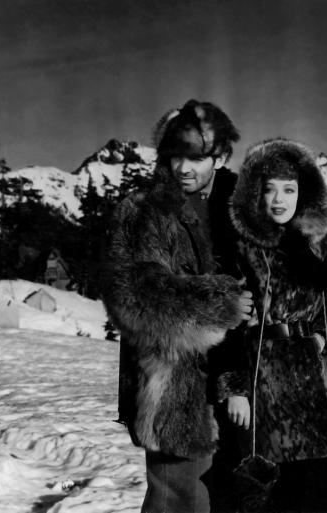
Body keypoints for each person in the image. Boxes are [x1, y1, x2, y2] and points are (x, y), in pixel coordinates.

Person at [101, 99, 254, 513]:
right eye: (174, 157)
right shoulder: (143, 211)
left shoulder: (238, 209)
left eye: (196, 157)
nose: (184, 169)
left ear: (219, 156)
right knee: (179, 498)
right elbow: (132, 297)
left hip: (237, 379)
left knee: (234, 496)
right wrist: (224, 303)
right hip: (173, 385)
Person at [215, 138, 327, 513]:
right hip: (265, 378)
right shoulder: (240, 248)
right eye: (269, 189)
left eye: (288, 189)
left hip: (308, 379)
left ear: (302, 194)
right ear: (254, 194)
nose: (279, 199)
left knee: (323, 481)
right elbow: (227, 324)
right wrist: (235, 388)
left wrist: (325, 338)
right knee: (277, 488)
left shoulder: (310, 247)